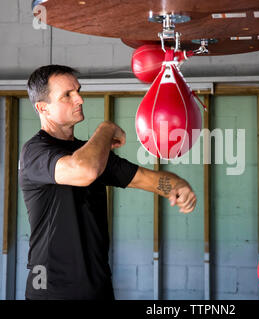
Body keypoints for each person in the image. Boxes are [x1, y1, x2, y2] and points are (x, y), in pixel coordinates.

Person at [19, 64, 197, 300]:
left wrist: (176, 185)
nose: (80, 99)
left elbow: (145, 179)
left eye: (78, 91)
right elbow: (85, 170)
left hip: (97, 287)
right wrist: (107, 127)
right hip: (51, 289)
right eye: (67, 95)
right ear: (43, 108)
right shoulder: (35, 152)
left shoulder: (91, 154)